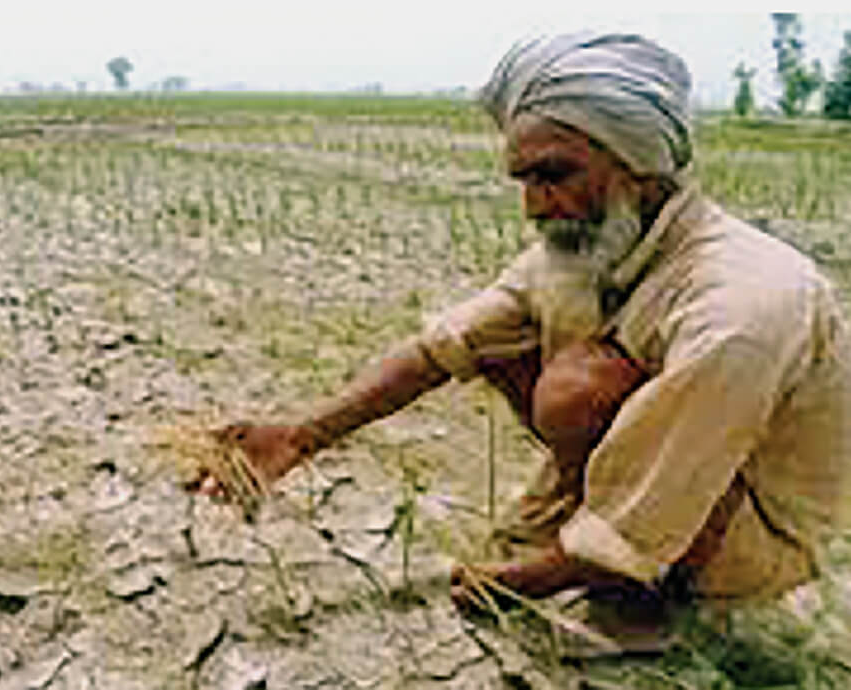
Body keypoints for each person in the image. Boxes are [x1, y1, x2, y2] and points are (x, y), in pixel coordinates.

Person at [190, 32, 851, 651]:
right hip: (679, 472)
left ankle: (643, 595)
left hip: (755, 525)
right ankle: (586, 524)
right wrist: (301, 436)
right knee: (514, 346)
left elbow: (679, 472)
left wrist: (518, 581)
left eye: (554, 174)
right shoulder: (588, 244)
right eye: (525, 180)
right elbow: (442, 347)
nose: (535, 204)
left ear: (639, 165)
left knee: (580, 389)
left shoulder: (739, 306)